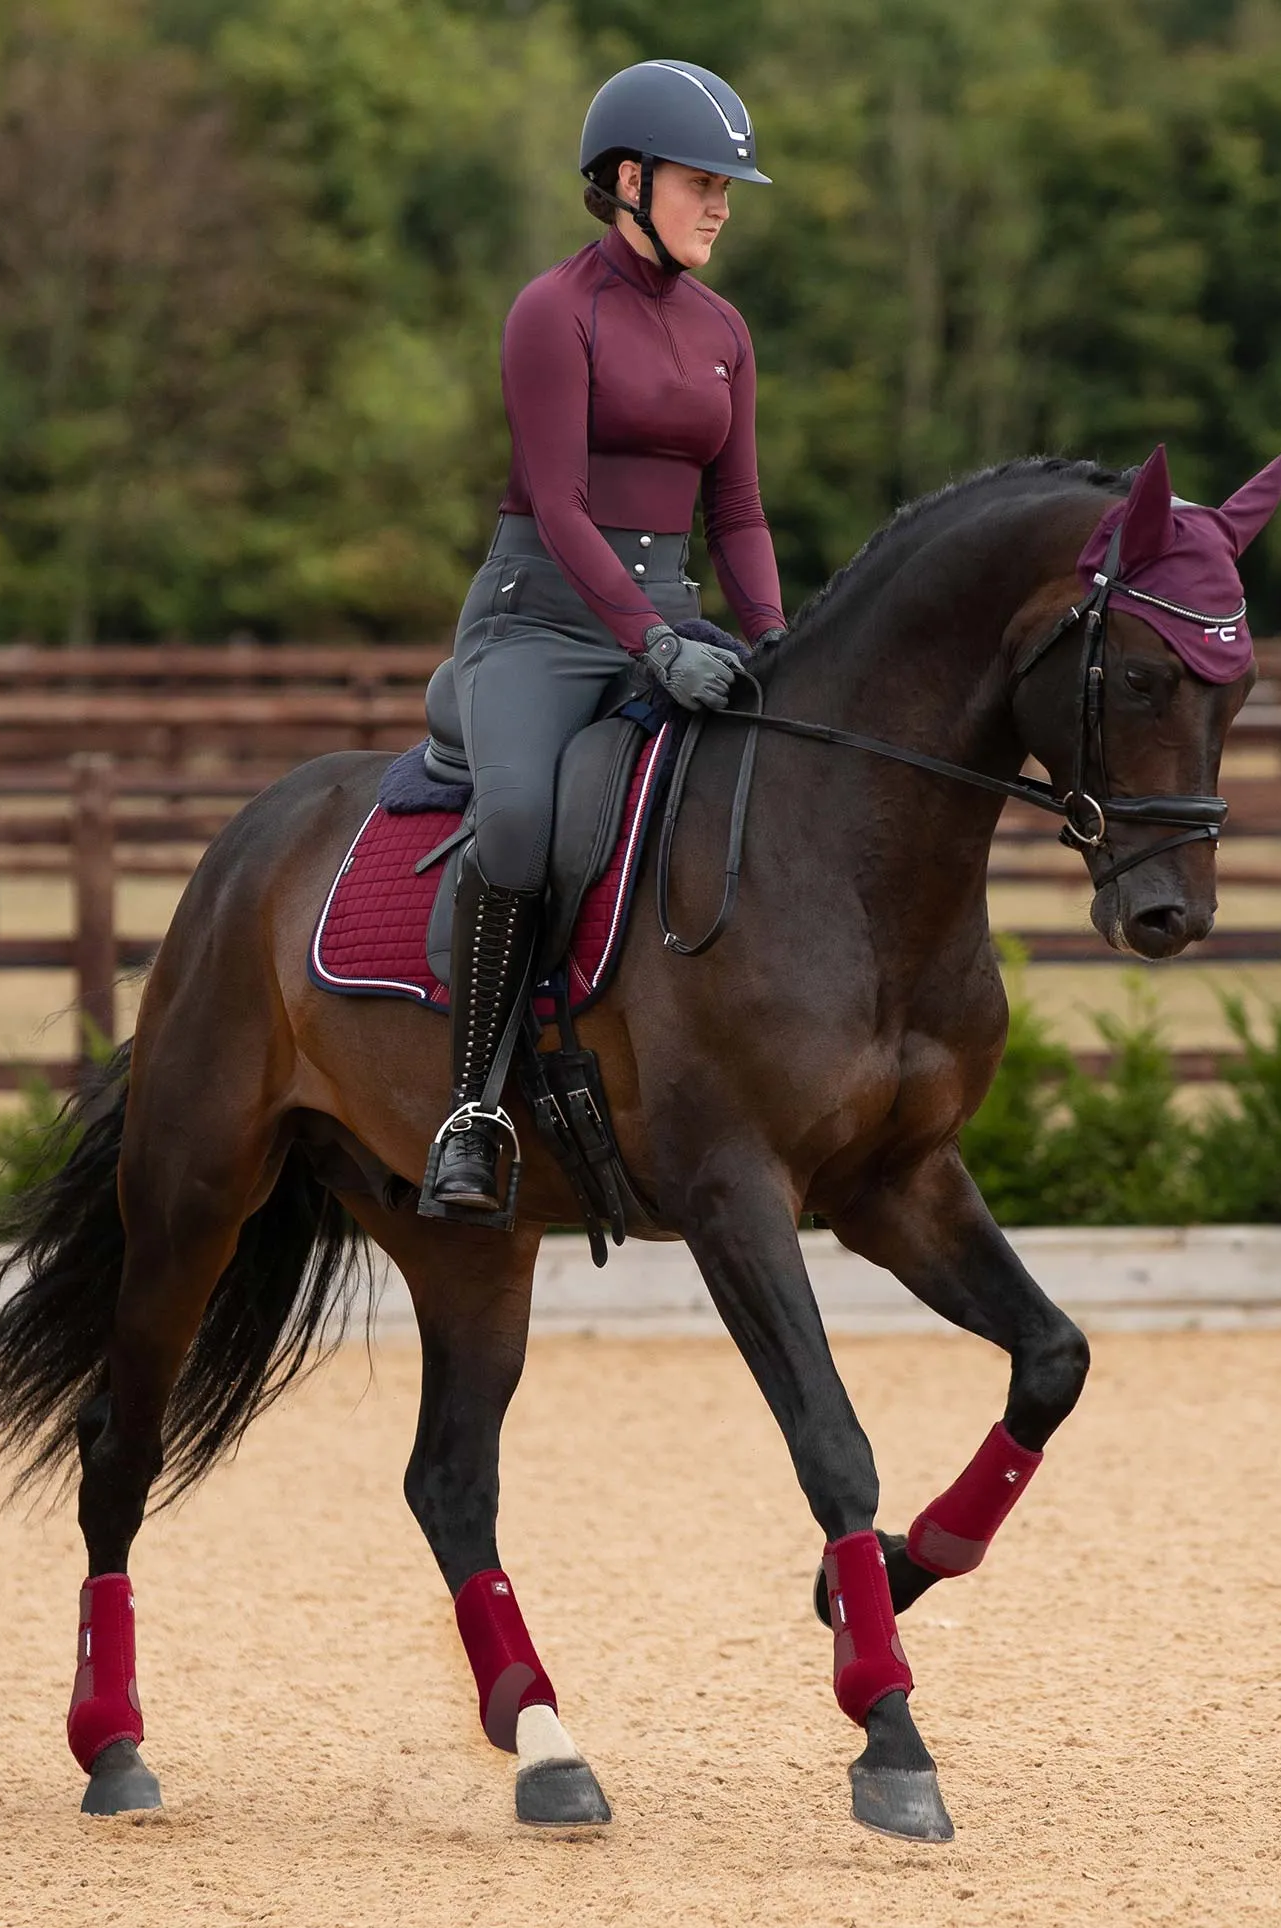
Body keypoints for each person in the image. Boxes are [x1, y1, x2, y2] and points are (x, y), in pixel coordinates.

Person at [424, 58, 789, 1216]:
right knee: (523, 822)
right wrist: (647, 638)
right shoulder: (552, 310)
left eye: (729, 186)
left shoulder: (725, 327)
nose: (722, 204)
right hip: (537, 624)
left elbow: (733, 510)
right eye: (701, 181)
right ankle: (471, 1111)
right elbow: (563, 502)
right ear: (627, 180)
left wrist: (772, 641)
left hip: (668, 618)